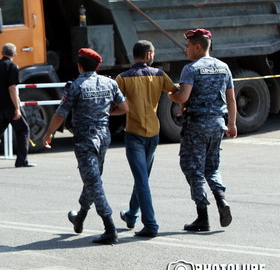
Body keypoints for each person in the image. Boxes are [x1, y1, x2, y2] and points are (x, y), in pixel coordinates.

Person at [42, 48, 128, 245]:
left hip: (85, 140)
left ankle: (110, 228)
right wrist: (105, 112)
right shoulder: (110, 83)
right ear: (97, 66)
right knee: (93, 179)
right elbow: (124, 108)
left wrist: (49, 133)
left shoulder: (75, 85)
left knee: (95, 183)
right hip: (103, 136)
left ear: (79, 66)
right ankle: (80, 217)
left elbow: (61, 113)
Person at [168, 28, 236, 231]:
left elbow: (182, 98)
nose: (186, 50)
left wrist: (171, 94)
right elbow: (231, 98)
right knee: (212, 167)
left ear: (198, 46)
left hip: (196, 125)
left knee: (193, 168)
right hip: (217, 124)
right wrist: (232, 124)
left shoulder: (191, 68)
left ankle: (202, 216)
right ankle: (221, 199)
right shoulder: (224, 67)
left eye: (188, 46)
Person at [115, 40, 178, 238]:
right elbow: (175, 92)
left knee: (141, 179)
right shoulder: (159, 75)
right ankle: (132, 215)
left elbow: (114, 101)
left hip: (134, 133)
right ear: (149, 55)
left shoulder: (122, 78)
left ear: (135, 55)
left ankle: (150, 224)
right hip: (154, 133)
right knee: (142, 177)